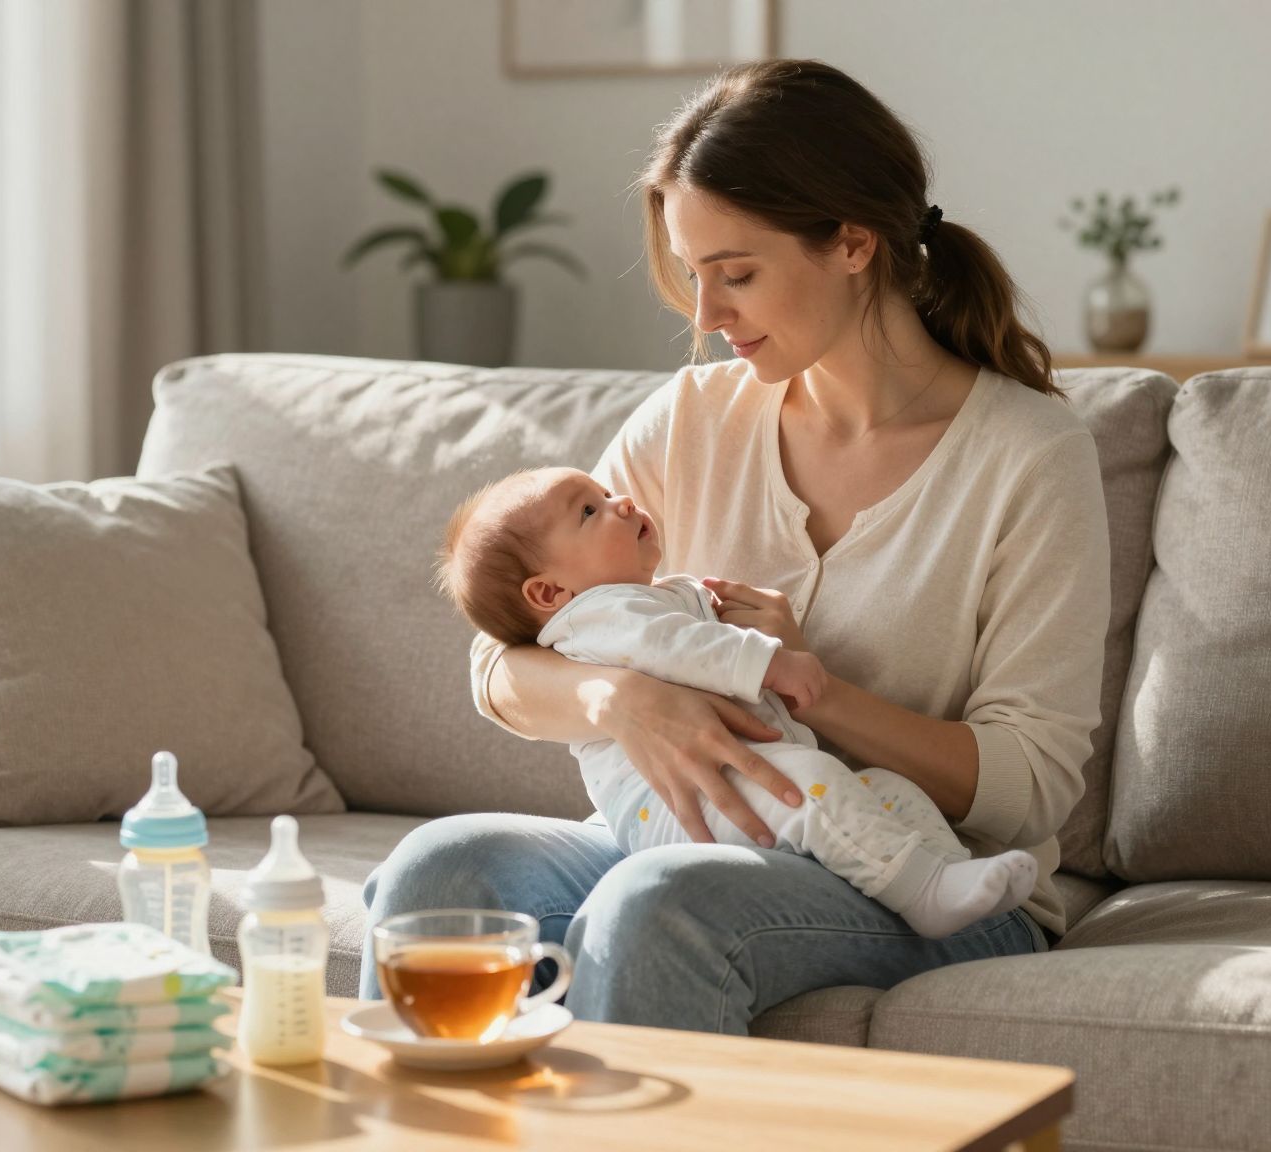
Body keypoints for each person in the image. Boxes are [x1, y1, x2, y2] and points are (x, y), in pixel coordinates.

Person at [358, 58, 1111, 1035]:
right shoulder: (692, 421)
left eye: (737, 275)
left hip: (932, 879)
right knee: (437, 870)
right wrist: (624, 699)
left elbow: (1026, 789)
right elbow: (501, 655)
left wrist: (819, 690)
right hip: (693, 840)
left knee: (657, 903)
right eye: (692, 276)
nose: (706, 319)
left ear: (851, 243)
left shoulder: (1025, 458)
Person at [432, 465, 1039, 938]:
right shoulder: (598, 616)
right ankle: (923, 888)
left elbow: (1036, 779)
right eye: (591, 510)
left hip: (739, 785)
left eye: (607, 491)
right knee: (443, 865)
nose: (622, 501)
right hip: (682, 805)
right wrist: (766, 662)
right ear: (549, 591)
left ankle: (947, 876)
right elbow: (654, 646)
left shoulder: (639, 596)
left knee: (881, 788)